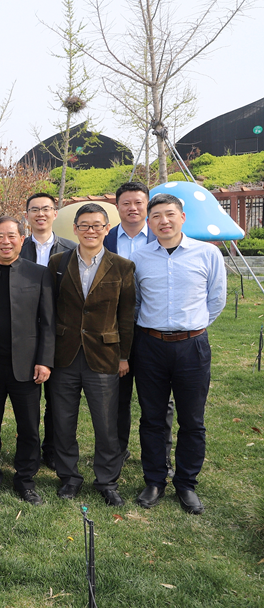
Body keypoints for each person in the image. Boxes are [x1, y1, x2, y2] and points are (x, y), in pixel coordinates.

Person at [131, 194, 226, 515]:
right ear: (149, 222)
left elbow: (216, 299)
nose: (164, 221)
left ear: (182, 217)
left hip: (192, 347)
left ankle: (186, 483)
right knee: (152, 418)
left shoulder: (208, 253)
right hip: (150, 346)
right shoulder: (140, 258)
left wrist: (191, 327)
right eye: (156, 216)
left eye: (170, 214)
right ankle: (155, 480)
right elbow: (136, 302)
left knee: (192, 419)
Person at [48, 203, 135, 506]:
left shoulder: (122, 266)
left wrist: (124, 356)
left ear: (107, 229)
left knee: (106, 423)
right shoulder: (58, 263)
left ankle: (107, 480)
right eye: (84, 225)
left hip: (105, 355)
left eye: (97, 225)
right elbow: (50, 309)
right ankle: (69, 477)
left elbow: (126, 316)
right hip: (64, 355)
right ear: (75, 229)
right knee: (63, 421)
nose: (90, 231)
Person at [0, 216, 54, 505]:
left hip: (27, 366)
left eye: (11, 236)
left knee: (29, 427)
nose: (6, 242)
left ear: (21, 239)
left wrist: (44, 360)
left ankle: (25, 480)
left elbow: (48, 322)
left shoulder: (39, 273)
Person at [105, 181, 171, 470]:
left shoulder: (163, 238)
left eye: (139, 202)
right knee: (116, 397)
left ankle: (160, 457)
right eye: (126, 203)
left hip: (150, 331)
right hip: (112, 331)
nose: (132, 208)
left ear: (147, 205)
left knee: (157, 399)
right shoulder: (104, 238)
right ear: (117, 206)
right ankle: (117, 452)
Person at [20, 193, 76, 472]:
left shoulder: (71, 250)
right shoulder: (18, 248)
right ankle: (27, 449)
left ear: (55, 213)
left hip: (61, 332)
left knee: (58, 398)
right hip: (24, 331)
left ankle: (53, 450)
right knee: (27, 397)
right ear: (26, 216)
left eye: (46, 209)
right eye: (34, 209)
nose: (40, 214)